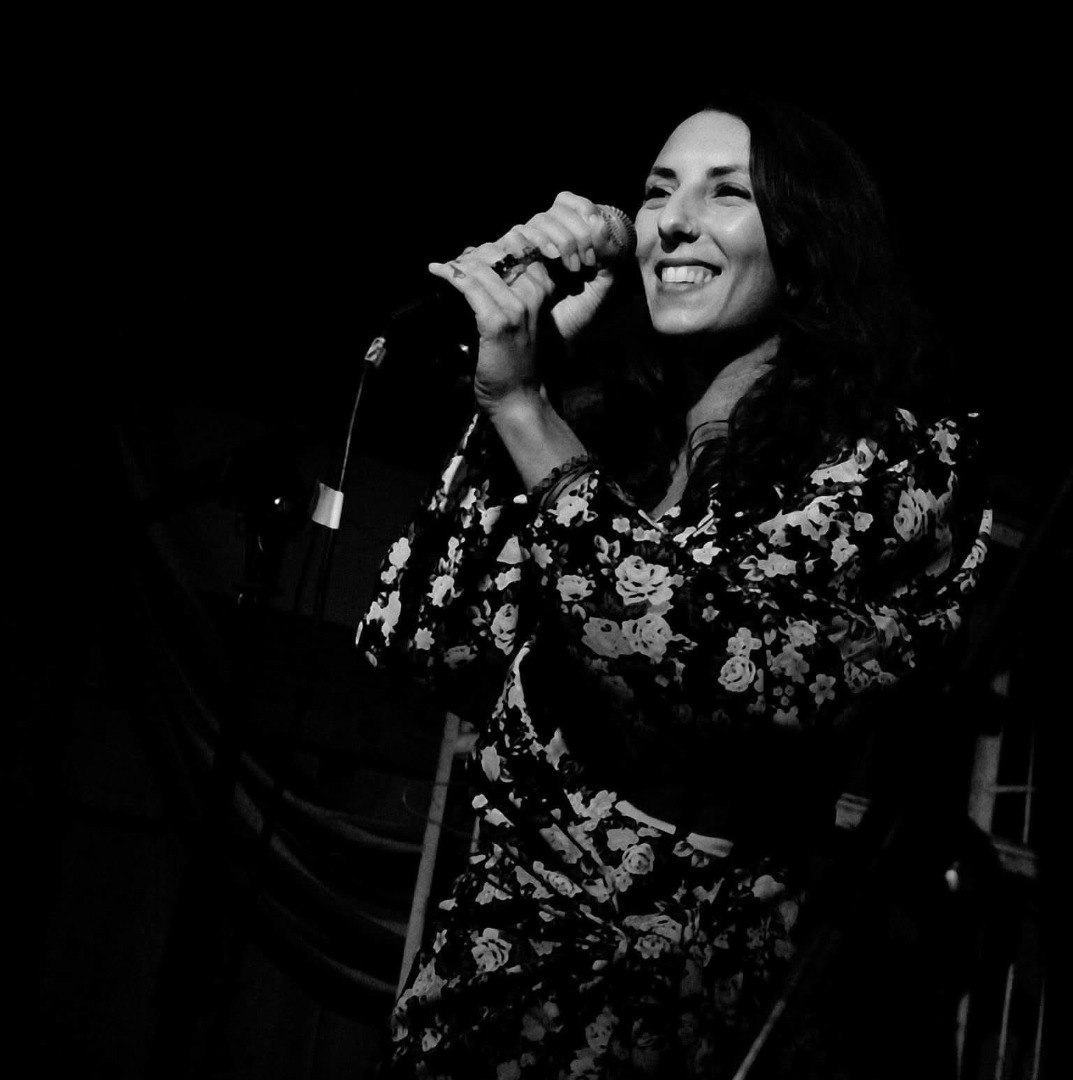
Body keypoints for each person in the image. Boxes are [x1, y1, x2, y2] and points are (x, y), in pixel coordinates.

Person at [357, 97, 991, 1078]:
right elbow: (422, 640)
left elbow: (695, 671)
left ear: (808, 240)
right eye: (656, 192)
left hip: (658, 1015)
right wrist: (534, 372)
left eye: (725, 193)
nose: (673, 221)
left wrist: (525, 411)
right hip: (478, 998)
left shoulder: (898, 464)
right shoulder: (611, 439)